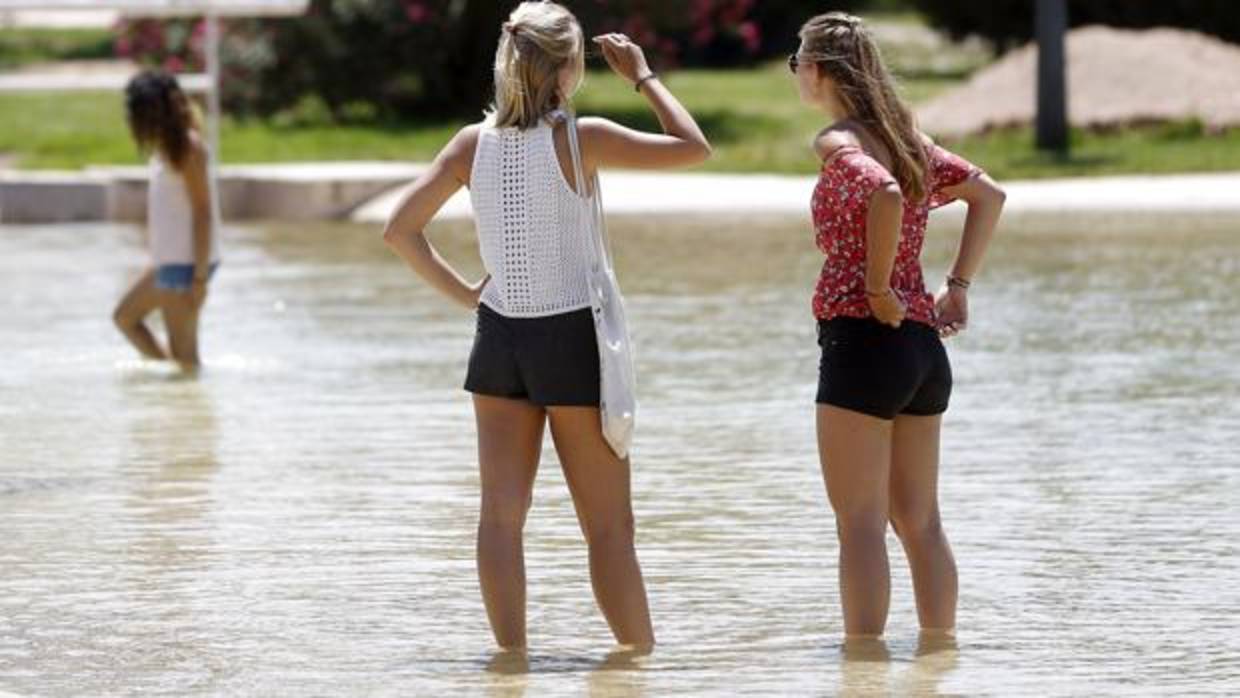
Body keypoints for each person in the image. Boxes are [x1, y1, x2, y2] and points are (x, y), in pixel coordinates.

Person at [382, 1, 710, 653]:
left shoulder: (471, 145)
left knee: (500, 520)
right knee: (610, 528)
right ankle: (641, 668)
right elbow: (693, 148)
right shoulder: (581, 138)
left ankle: (512, 665)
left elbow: (399, 231)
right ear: (568, 67)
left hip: (499, 339)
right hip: (569, 341)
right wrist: (642, 77)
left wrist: (470, 296)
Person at [789, 12, 1006, 639]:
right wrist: (957, 288)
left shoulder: (838, 140)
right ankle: (938, 657)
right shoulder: (910, 139)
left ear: (820, 71)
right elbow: (988, 195)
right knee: (922, 522)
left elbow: (882, 193)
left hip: (863, 339)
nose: (796, 74)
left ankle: (865, 667)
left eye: (796, 63)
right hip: (922, 351)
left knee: (859, 523)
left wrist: (879, 288)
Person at [113, 70, 220, 371]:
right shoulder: (168, 148)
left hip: (185, 267)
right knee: (126, 318)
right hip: (172, 262)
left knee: (186, 360)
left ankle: (186, 410)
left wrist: (198, 279)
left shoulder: (188, 148)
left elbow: (203, 211)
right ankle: (170, 385)